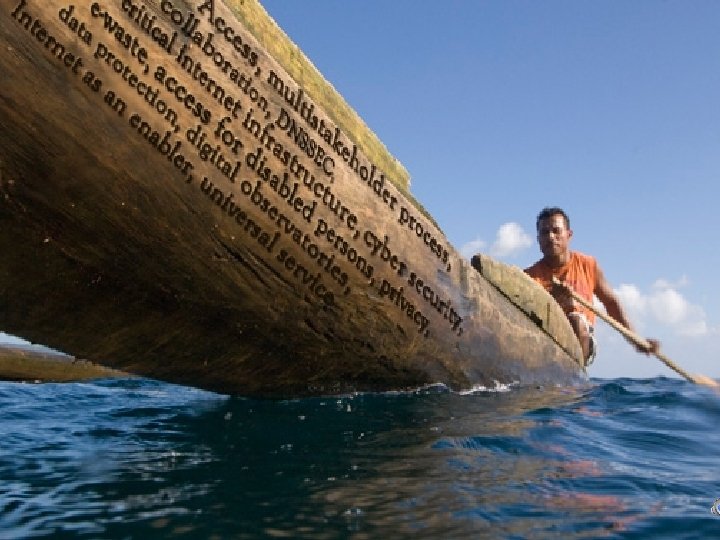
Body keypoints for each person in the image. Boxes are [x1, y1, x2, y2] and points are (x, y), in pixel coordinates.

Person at [524, 207, 659, 364]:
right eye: (544, 232)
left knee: (576, 320)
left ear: (569, 235)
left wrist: (636, 340)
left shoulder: (588, 265)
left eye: (556, 231)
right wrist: (552, 299)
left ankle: (575, 373)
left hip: (583, 338)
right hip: (545, 340)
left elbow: (611, 303)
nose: (551, 237)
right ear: (538, 239)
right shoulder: (528, 277)